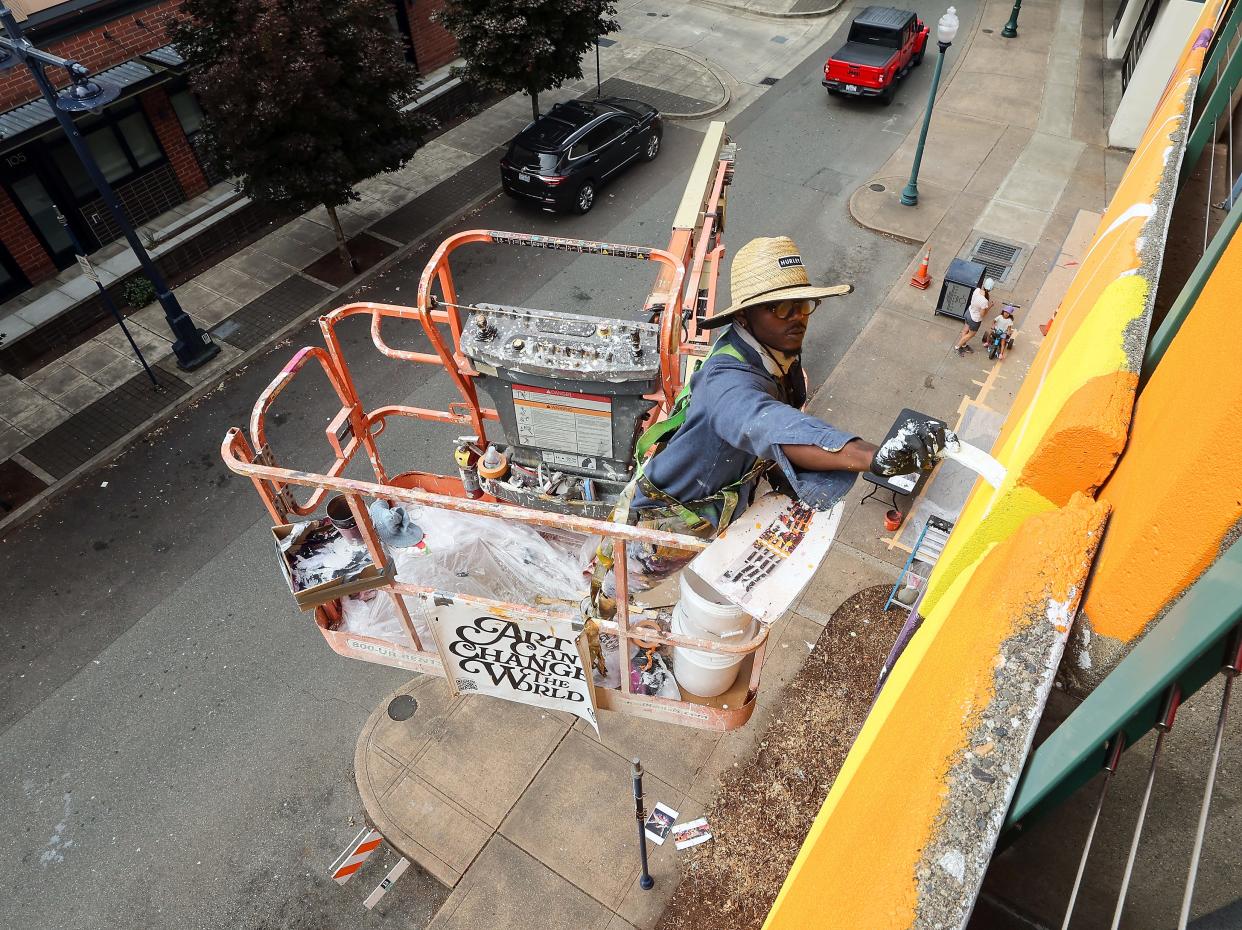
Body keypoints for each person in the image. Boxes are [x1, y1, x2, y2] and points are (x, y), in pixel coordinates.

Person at [611, 236, 954, 585]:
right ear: (743, 316)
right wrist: (873, 456)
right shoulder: (728, 383)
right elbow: (765, 423)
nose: (798, 319)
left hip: (716, 502)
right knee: (623, 585)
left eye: (802, 304)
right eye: (781, 308)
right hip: (665, 527)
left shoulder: (775, 352)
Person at [954, 277, 995, 355]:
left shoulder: (976, 290)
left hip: (968, 312)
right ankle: (958, 346)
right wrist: (989, 306)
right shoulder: (984, 301)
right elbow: (982, 314)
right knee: (971, 334)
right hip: (974, 319)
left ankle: (964, 345)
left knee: (965, 330)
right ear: (990, 289)